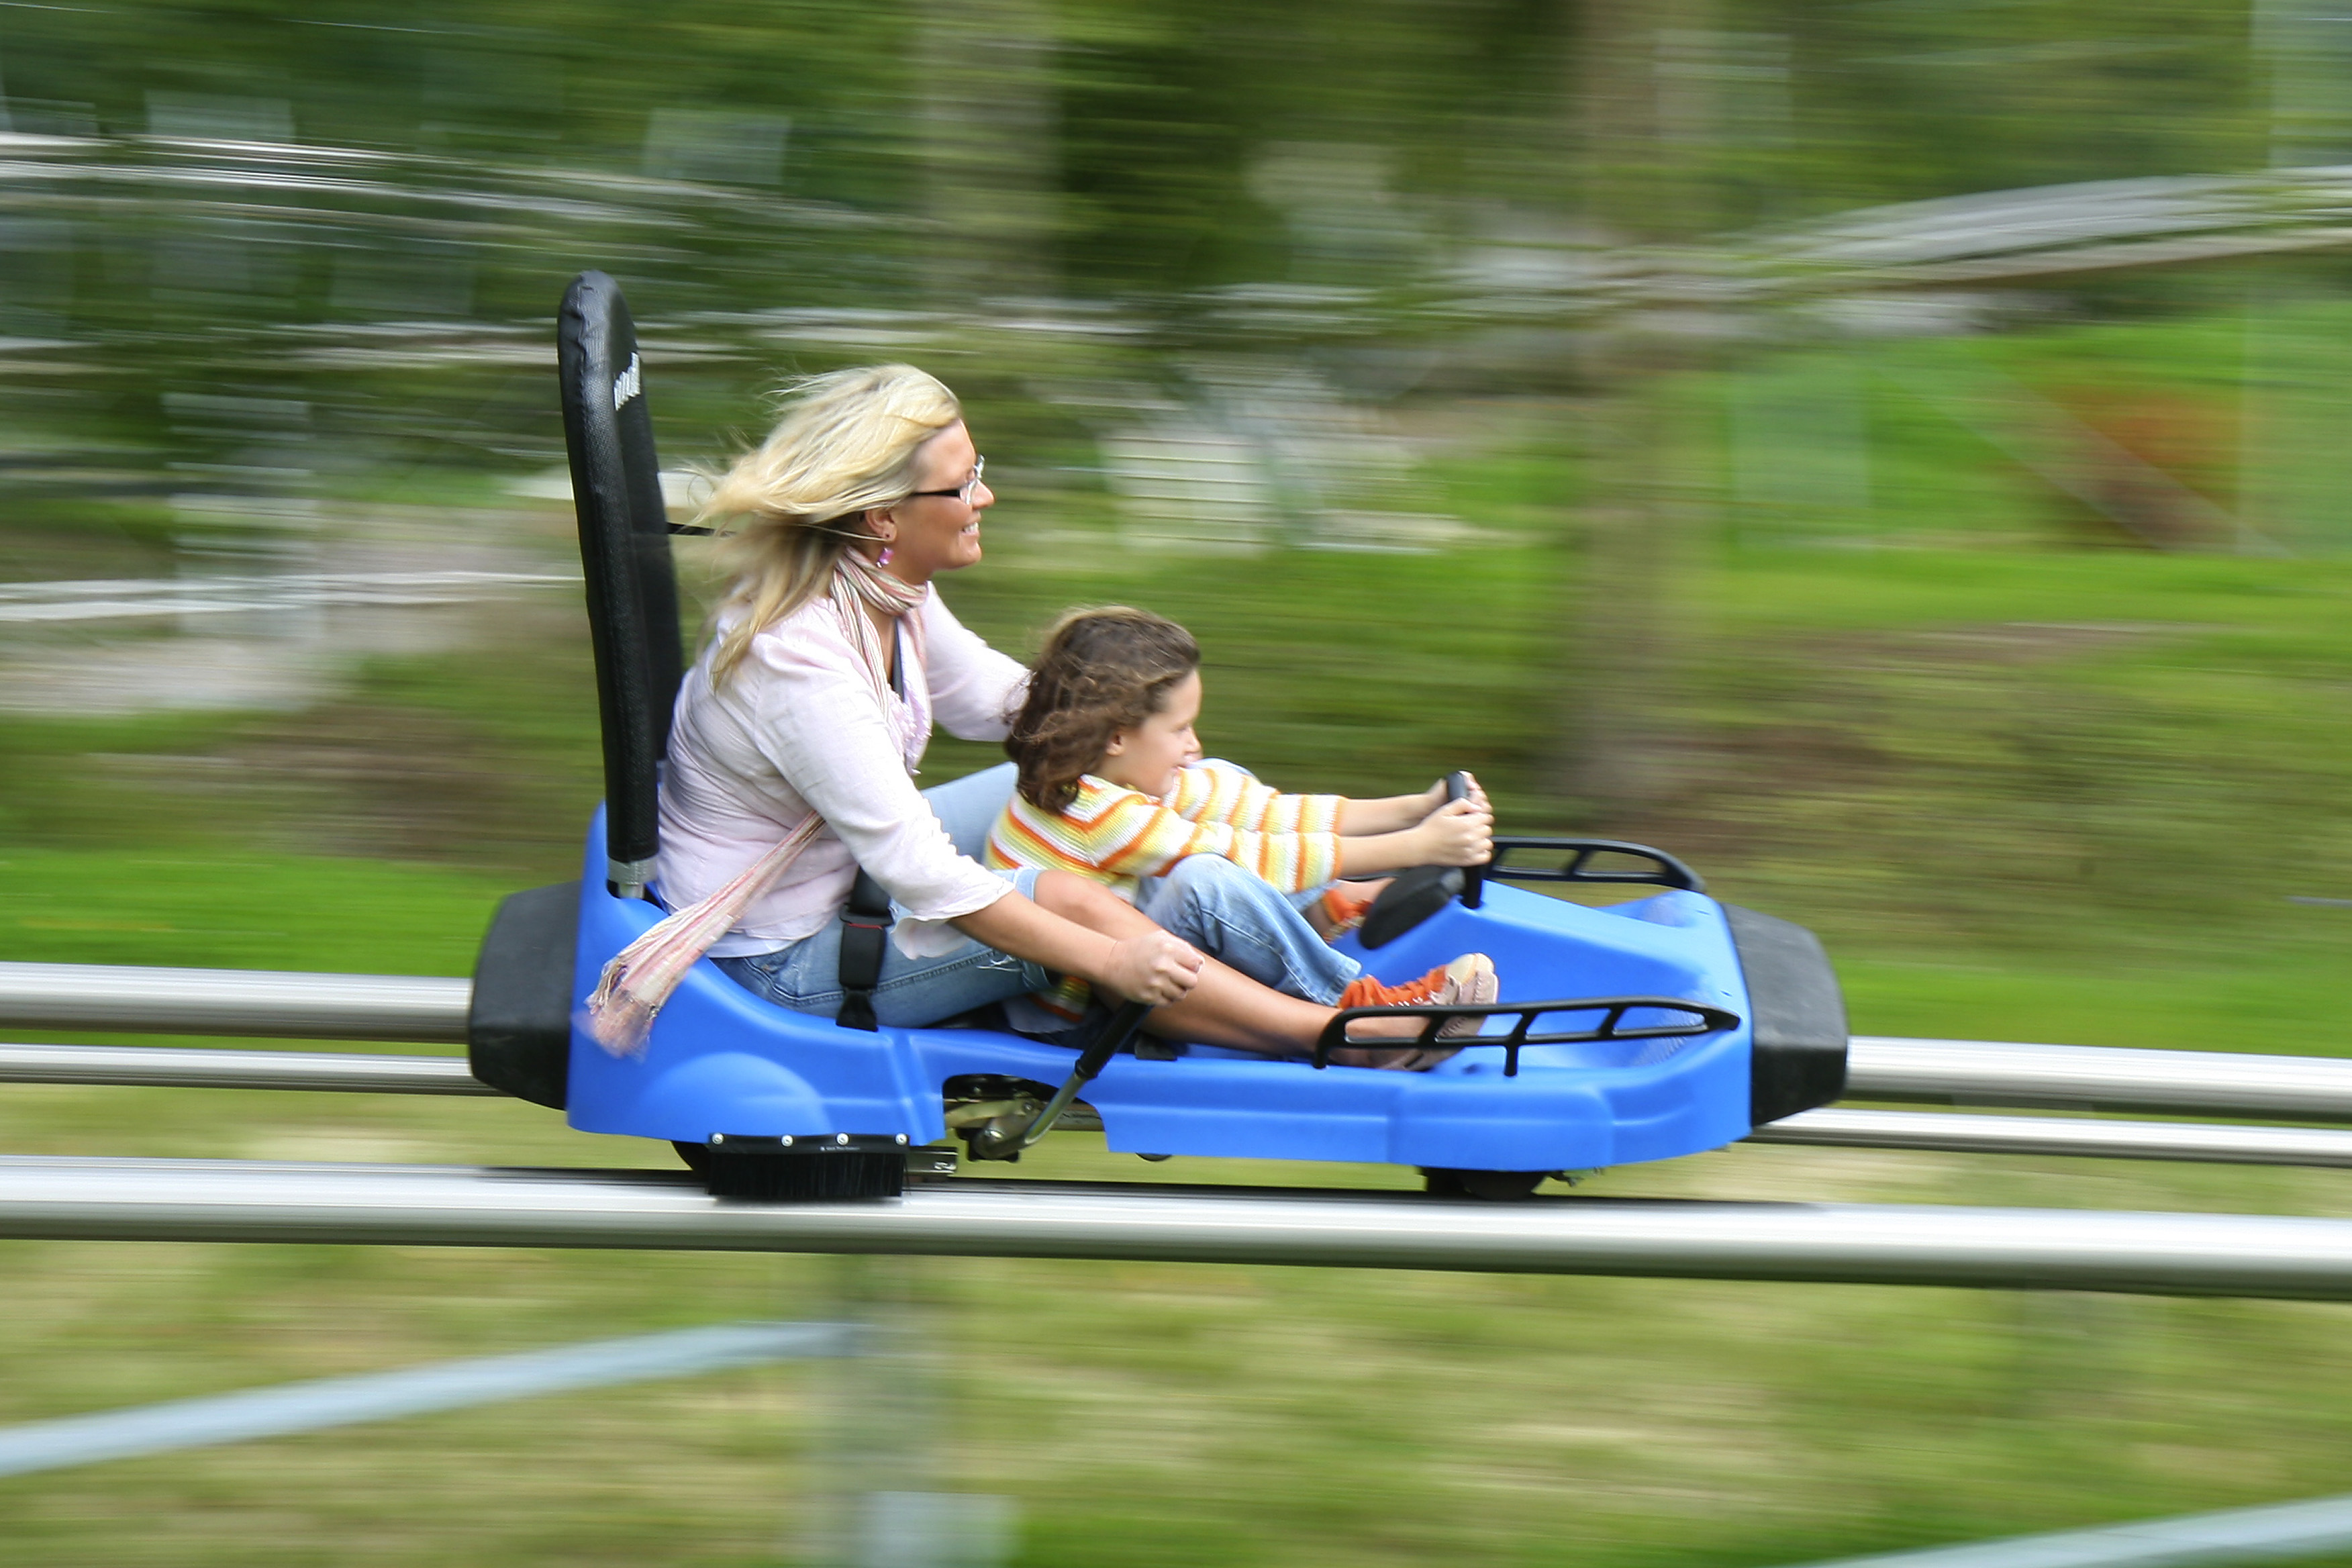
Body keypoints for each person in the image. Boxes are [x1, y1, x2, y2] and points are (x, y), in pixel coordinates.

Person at [650, 362, 1480, 1063]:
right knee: (1076, 904)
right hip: (776, 957)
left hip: (840, 868)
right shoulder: (800, 662)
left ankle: (1292, 898)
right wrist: (1116, 957)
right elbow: (927, 877)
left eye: (982, 466)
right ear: (883, 518)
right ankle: (1344, 1029)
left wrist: (1142, 731)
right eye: (964, 481)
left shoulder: (882, 591)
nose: (988, 493)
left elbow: (1010, 705)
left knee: (1129, 777)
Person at [985, 605, 1498, 1036]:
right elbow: (1244, 860)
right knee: (1205, 880)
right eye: (1180, 728)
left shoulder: (1102, 776)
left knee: (1220, 779)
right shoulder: (1099, 814)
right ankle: (1360, 1009)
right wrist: (1417, 847)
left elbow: (1261, 813)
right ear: (1116, 737)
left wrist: (1414, 809)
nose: (1193, 743)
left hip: (1123, 956)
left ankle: (1325, 905)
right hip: (1081, 1011)